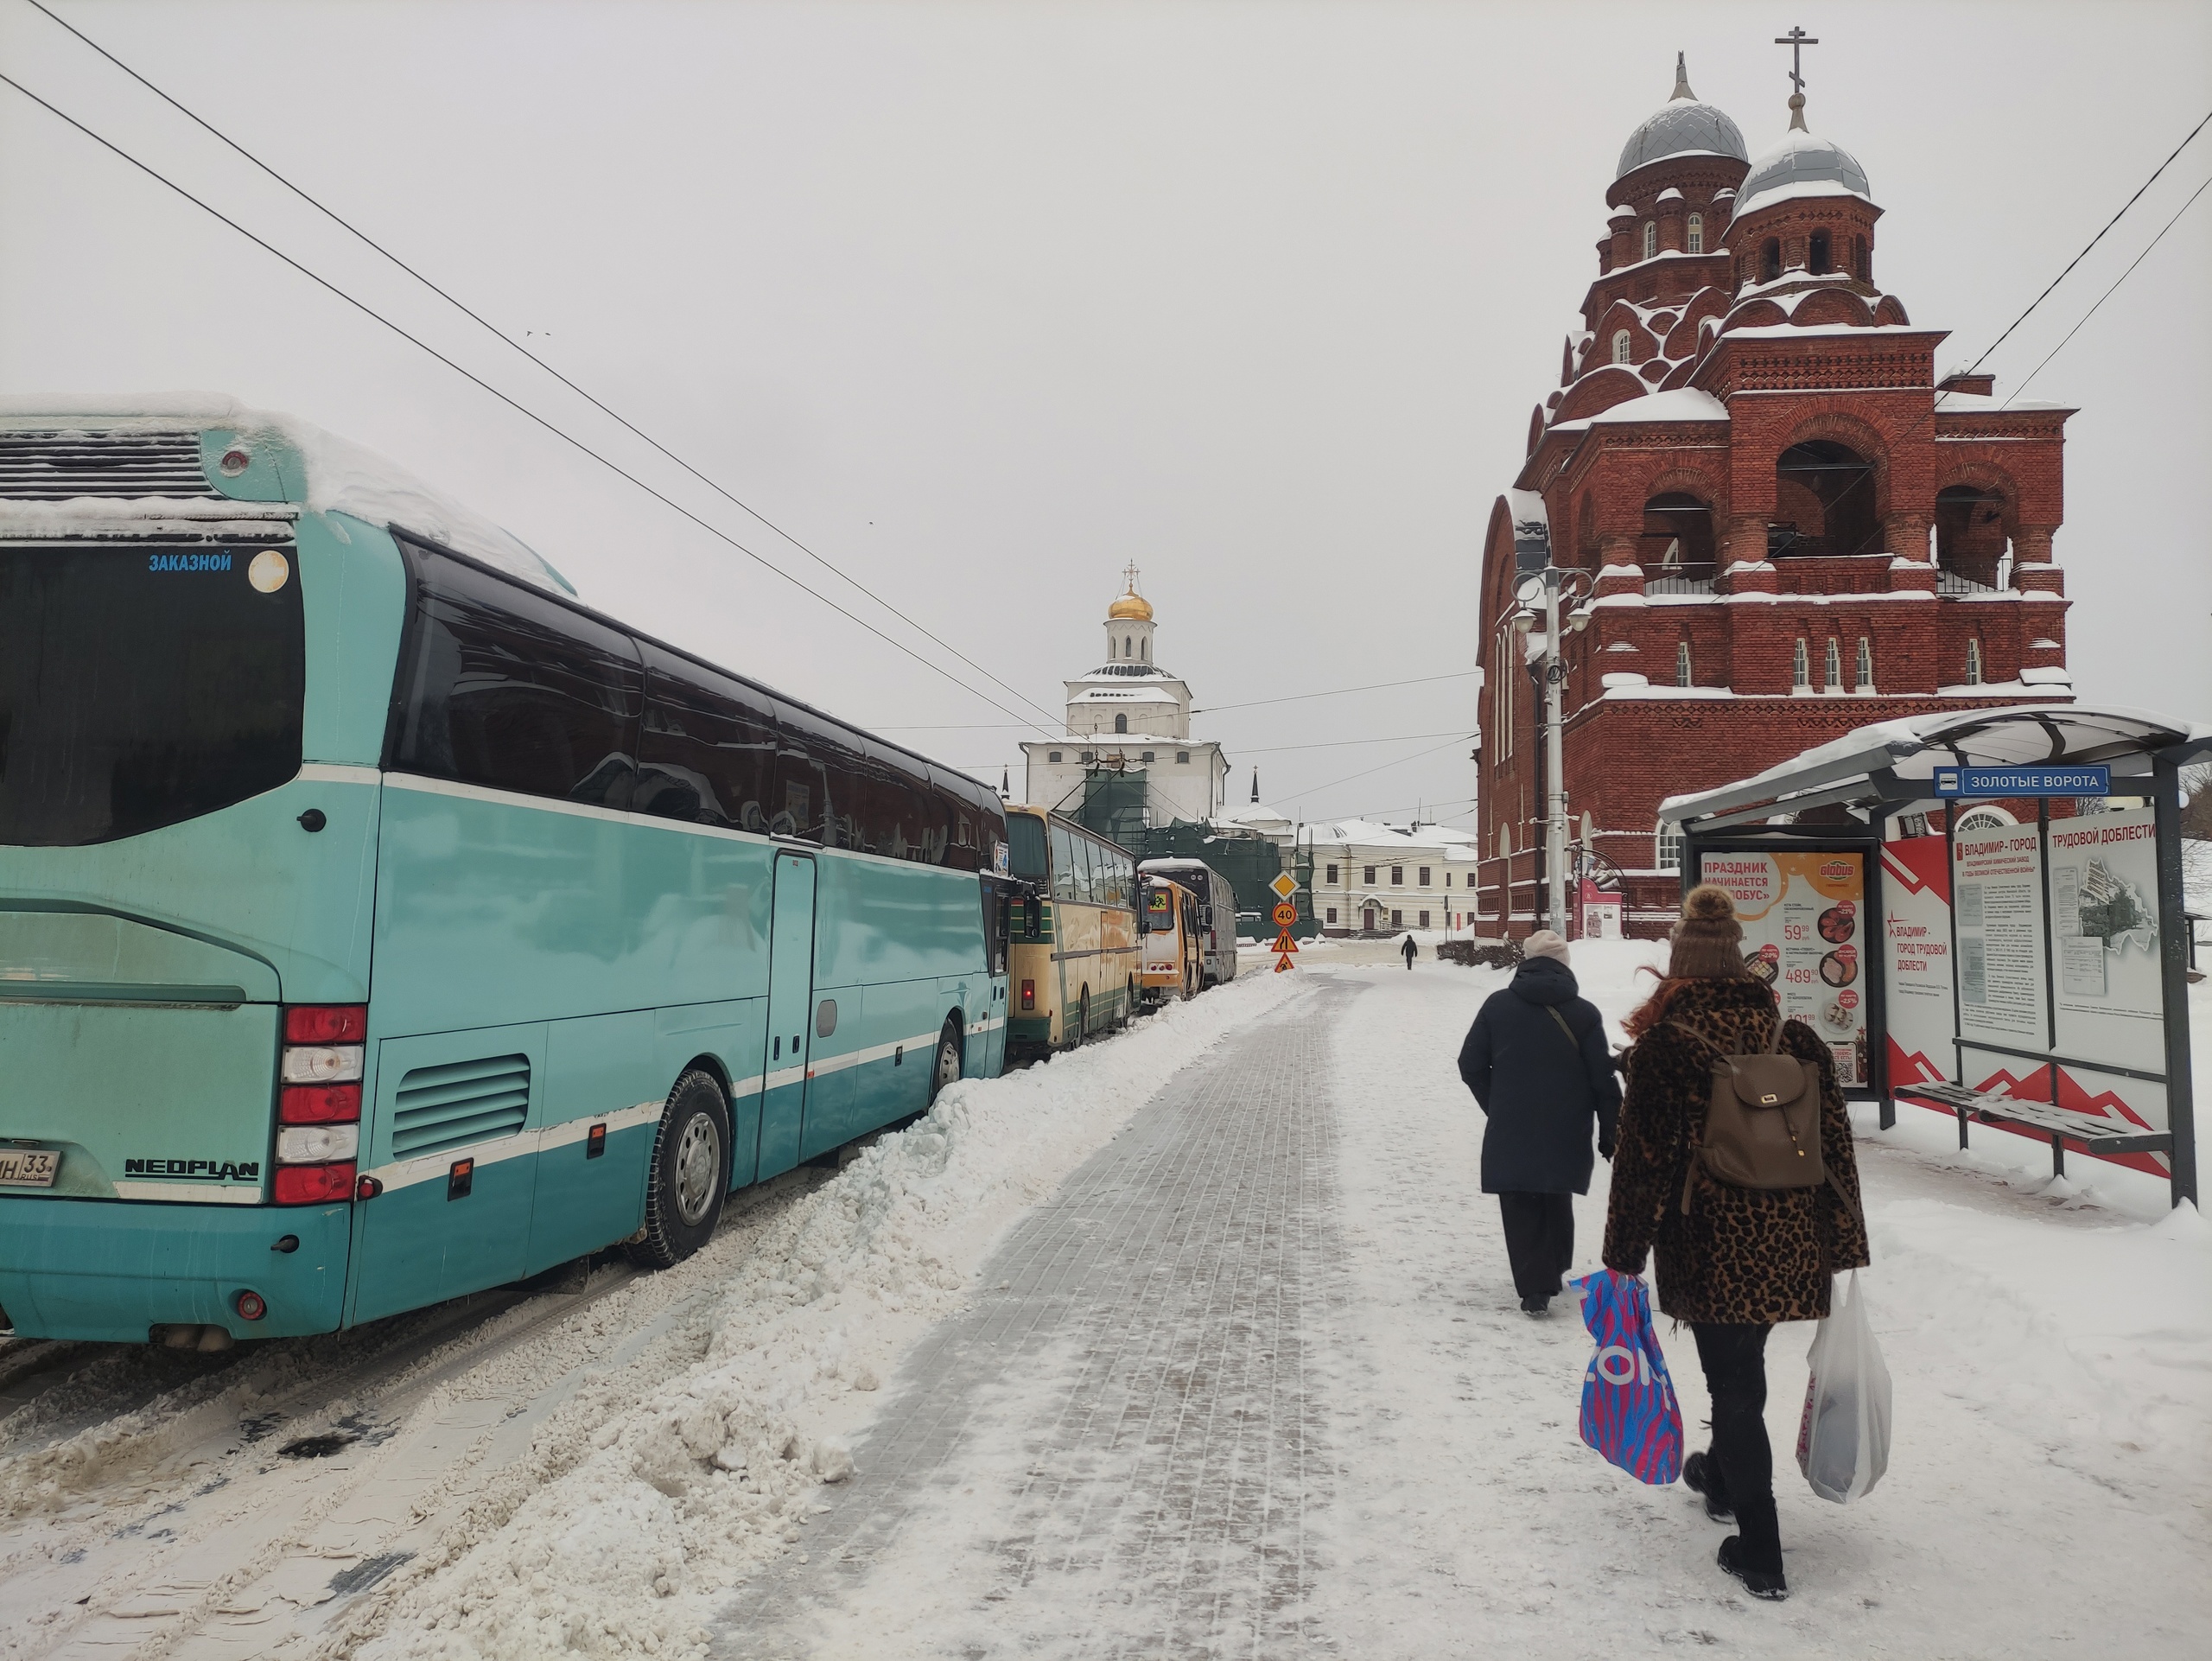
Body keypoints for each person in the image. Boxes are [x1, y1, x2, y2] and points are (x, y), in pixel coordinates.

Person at [1601, 885, 1869, 1603]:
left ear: (1679, 972)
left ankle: (1760, 1550)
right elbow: (1836, 1149)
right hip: (1790, 1243)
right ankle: (1720, 1477)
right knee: (1742, 1367)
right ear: (1743, 967)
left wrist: (1622, 1253)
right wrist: (1842, 1245)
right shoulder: (1800, 1039)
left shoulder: (1666, 1047)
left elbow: (1642, 1162)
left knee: (1737, 1387)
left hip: (1710, 1244)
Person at [1457, 930, 1621, 1315]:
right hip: (1568, 1126)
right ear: (1565, 965)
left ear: (1524, 963)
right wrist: (1611, 1128)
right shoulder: (1583, 1013)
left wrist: (1496, 1103)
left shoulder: (1497, 1006)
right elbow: (1603, 1078)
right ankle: (1555, 1268)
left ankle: (1535, 1285)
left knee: (1519, 1199)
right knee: (1555, 1192)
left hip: (1512, 1124)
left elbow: (1471, 1065)